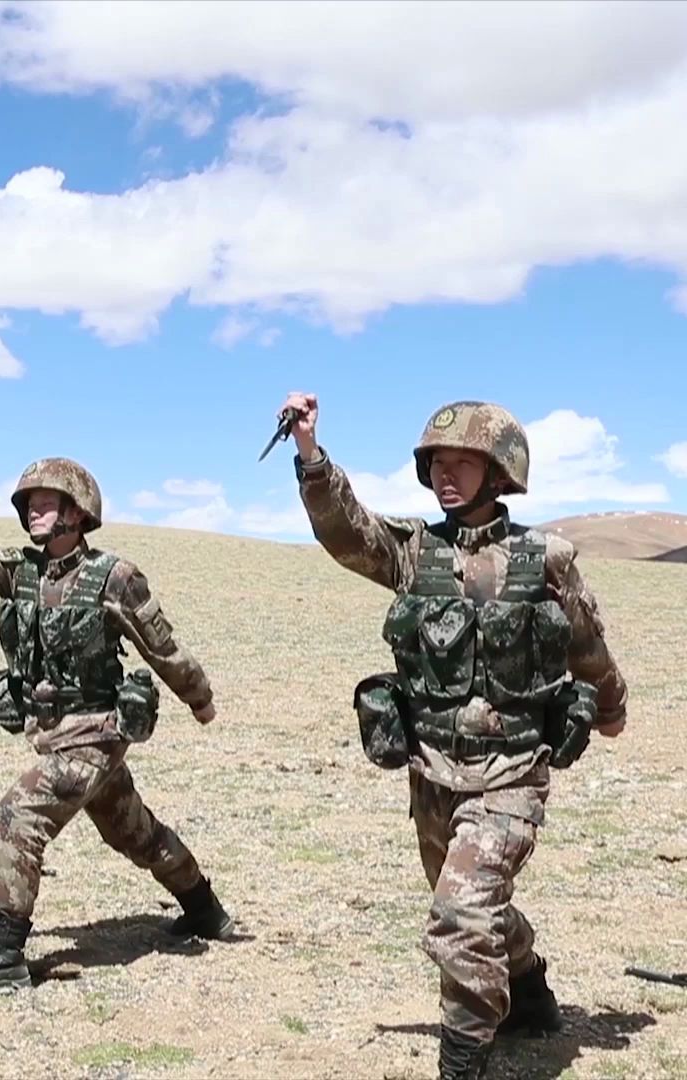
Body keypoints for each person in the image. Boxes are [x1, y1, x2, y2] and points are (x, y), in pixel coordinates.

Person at [283, 393, 628, 1080]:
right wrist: (310, 454)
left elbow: (587, 641)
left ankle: (463, 1063)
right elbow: (345, 533)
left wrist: (611, 706)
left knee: (461, 914)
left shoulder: (545, 557)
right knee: (476, 906)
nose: (445, 474)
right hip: (432, 771)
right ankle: (528, 993)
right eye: (437, 462)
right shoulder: (416, 552)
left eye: (462, 462)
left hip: (513, 772)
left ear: (500, 471)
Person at [0, 458, 233, 995]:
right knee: (135, 833)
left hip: (96, 734)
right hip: (53, 736)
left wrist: (200, 700)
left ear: (77, 513)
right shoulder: (22, 573)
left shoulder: (113, 577)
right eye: (28, 502)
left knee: (15, 819)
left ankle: (4, 956)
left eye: (46, 501)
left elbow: (162, 648)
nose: (33, 509)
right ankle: (206, 911)